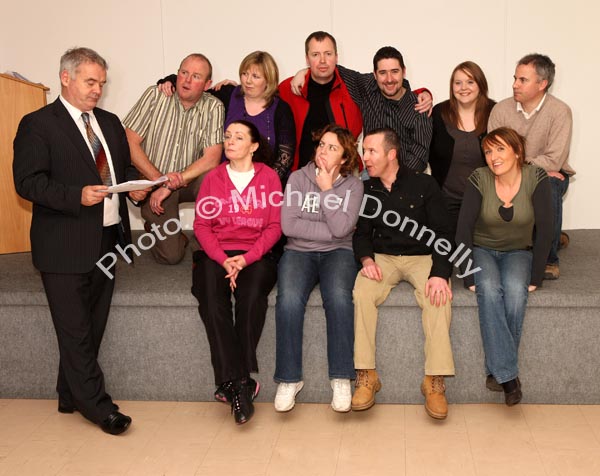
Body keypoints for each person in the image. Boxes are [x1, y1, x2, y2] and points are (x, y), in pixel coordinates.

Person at [12, 47, 146, 435]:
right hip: (63, 244)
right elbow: (28, 182)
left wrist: (133, 190)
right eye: (90, 82)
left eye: (102, 83)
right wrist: (75, 195)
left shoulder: (109, 120)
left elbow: (116, 169)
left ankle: (69, 394)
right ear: (65, 78)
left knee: (91, 324)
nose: (97, 90)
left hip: (106, 240)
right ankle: (99, 407)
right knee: (75, 329)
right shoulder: (38, 124)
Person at [352, 128, 454, 419]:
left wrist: (440, 272)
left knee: (439, 296)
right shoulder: (368, 188)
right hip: (383, 257)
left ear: (391, 154)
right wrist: (366, 258)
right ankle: (367, 375)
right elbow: (361, 233)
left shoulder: (424, 184)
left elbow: (444, 233)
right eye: (364, 151)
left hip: (421, 256)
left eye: (372, 151)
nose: (366, 157)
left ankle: (434, 382)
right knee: (362, 292)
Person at [191, 120, 282, 425]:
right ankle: (241, 382)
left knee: (252, 295)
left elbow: (274, 227)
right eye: (227, 136)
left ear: (254, 145)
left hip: (255, 253)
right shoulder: (213, 178)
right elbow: (201, 226)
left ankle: (231, 384)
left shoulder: (269, 178)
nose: (229, 141)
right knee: (211, 298)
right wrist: (223, 259)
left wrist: (245, 259)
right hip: (216, 253)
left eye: (238, 137)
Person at [456, 127, 553, 406]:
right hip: (482, 249)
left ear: (517, 151)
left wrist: (537, 275)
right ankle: (509, 378)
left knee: (514, 290)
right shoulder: (479, 178)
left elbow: (546, 229)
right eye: (488, 151)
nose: (493, 156)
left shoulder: (537, 178)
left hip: (518, 252)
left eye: (500, 149)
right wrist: (466, 271)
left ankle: (497, 370)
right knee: (487, 287)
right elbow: (463, 228)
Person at [273, 125, 364, 413]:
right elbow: (289, 226)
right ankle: (289, 379)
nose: (323, 151)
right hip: (298, 252)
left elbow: (341, 230)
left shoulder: (353, 185)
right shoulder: (298, 178)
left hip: (339, 253)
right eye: (321, 144)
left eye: (332, 148)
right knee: (287, 300)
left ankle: (340, 377)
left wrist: (326, 190)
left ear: (345, 157)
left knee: (338, 299)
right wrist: (330, 226)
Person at [123, 53, 225, 265]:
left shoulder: (214, 107)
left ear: (207, 84)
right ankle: (163, 230)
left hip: (188, 181)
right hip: (154, 182)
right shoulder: (155, 95)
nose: (187, 80)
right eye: (184, 73)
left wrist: (172, 183)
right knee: (171, 256)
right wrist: (160, 180)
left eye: (196, 76)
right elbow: (129, 143)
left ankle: (205, 243)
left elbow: (211, 159)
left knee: (213, 178)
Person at [488, 53, 574, 280]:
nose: (515, 84)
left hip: (546, 175)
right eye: (515, 78)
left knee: (550, 184)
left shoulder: (560, 112)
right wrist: (525, 167)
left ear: (542, 84)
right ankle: (545, 237)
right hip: (506, 174)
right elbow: (492, 154)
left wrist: (519, 165)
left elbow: (554, 160)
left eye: (522, 80)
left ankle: (548, 259)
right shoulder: (501, 110)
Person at [157, 51, 296, 184]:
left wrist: (262, 183)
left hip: (265, 184)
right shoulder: (228, 94)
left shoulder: (281, 110)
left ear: (268, 80)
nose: (247, 81)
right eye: (244, 74)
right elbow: (196, 88)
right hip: (225, 180)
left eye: (255, 76)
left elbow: (285, 158)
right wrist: (170, 81)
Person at [291, 45, 433, 172]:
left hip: (406, 178)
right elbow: (330, 68)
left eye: (395, 71)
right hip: (370, 177)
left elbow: (419, 157)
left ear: (404, 71)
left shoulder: (419, 106)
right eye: (383, 73)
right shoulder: (366, 88)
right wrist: (304, 71)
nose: (389, 79)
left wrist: (396, 181)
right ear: (375, 75)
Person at [429, 61, 496, 239]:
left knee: (482, 247)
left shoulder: (494, 112)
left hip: (485, 199)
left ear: (480, 85)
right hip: (447, 199)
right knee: (449, 249)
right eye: (458, 83)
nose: (463, 88)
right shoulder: (439, 113)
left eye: (470, 82)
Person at [279, 31, 363, 170]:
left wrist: (413, 98)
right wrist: (232, 89)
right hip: (300, 175)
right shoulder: (289, 88)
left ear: (336, 57)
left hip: (344, 175)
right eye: (315, 55)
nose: (322, 60)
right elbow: (260, 94)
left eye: (328, 54)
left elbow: (390, 83)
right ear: (307, 59)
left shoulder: (353, 87)